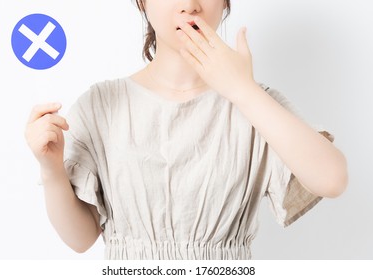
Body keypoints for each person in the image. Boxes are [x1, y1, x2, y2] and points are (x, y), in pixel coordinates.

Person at [24, 0, 348, 259]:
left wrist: (243, 91)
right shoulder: (101, 104)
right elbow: (80, 239)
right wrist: (52, 169)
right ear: (142, 2)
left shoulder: (255, 104)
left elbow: (332, 180)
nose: (191, 5)